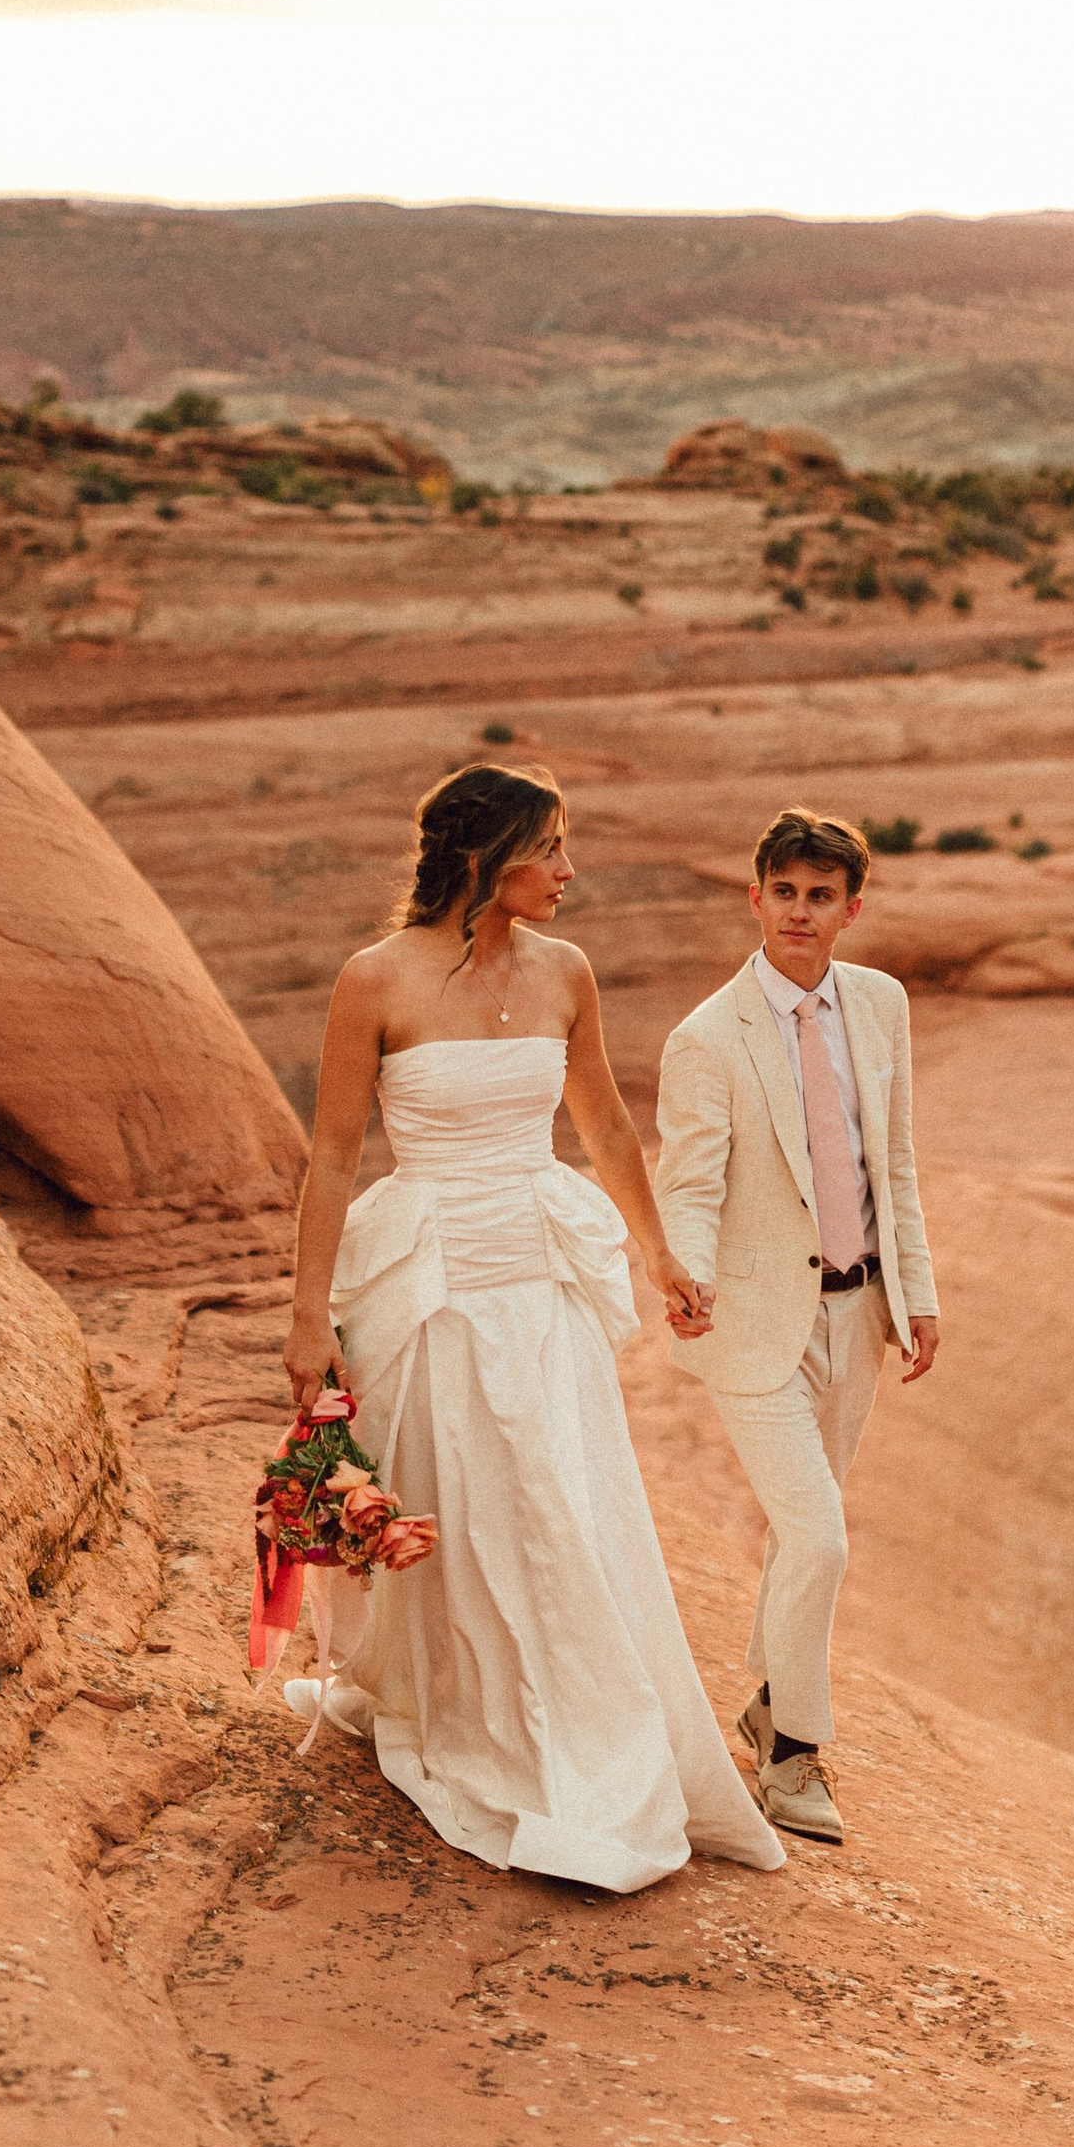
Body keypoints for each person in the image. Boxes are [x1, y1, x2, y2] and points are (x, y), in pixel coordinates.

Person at [277, 761, 784, 1888]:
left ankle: (591, 1750)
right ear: (485, 856)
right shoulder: (375, 981)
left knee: (558, 1504)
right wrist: (308, 1315)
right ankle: (466, 1714)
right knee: (465, 1507)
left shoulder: (565, 972)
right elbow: (331, 1156)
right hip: (431, 1287)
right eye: (550, 847)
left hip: (539, 1281)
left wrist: (663, 1258)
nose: (568, 871)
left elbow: (601, 1122)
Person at [654, 808, 939, 1843]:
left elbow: (891, 1159)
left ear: (850, 908)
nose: (800, 913)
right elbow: (687, 1183)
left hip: (858, 1314)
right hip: (752, 1325)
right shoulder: (704, 1037)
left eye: (822, 897)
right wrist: (682, 1273)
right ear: (755, 896)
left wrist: (919, 1292)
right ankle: (791, 1758)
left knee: (798, 1534)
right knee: (819, 1535)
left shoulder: (880, 1004)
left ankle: (768, 1698)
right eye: (785, 892)